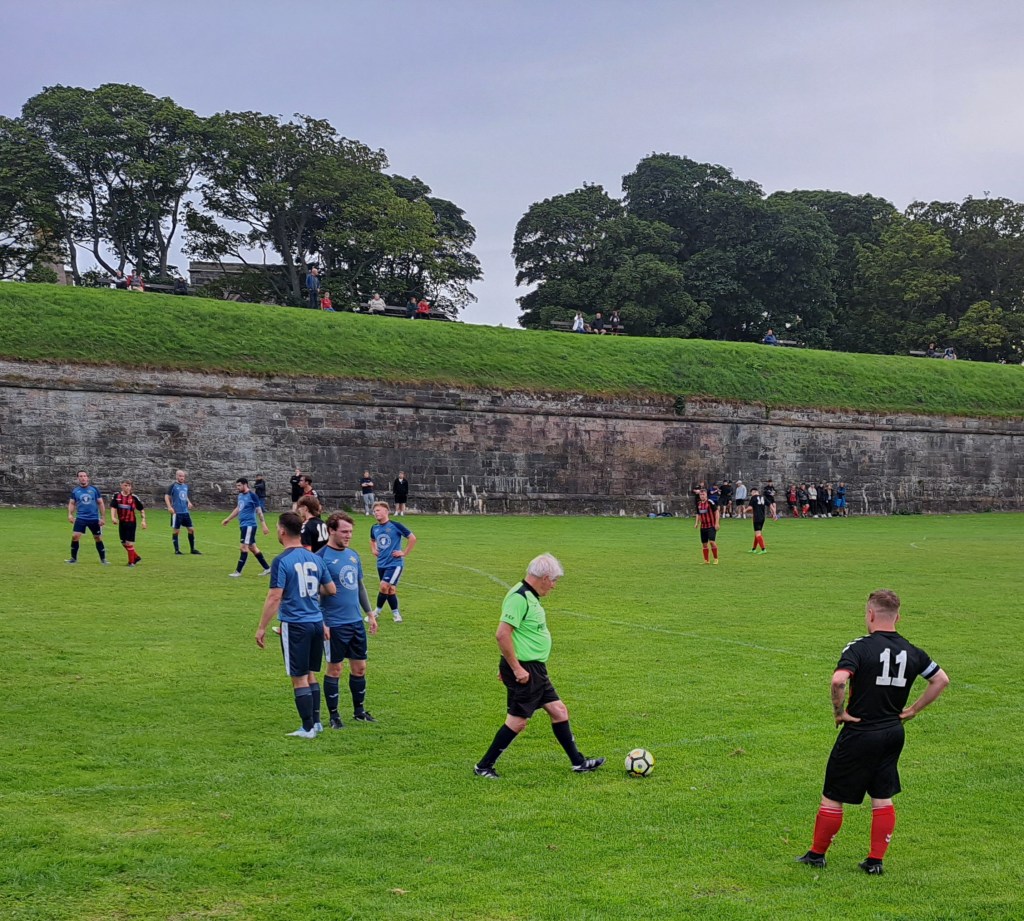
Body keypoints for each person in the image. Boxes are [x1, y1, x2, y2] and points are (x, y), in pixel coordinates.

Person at [797, 590, 949, 875]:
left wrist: (839, 712)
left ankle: (816, 855)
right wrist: (913, 710)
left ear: (870, 614)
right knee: (882, 794)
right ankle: (875, 862)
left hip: (860, 732)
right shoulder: (913, 651)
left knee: (833, 794)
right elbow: (941, 680)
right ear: (897, 617)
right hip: (893, 732)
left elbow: (839, 680)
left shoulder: (859, 647)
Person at [474, 553, 605, 779]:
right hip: (526, 671)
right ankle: (483, 766)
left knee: (559, 711)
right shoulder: (519, 598)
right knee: (517, 722)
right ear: (544, 578)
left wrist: (507, 663)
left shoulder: (529, 596)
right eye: (553, 580)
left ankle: (578, 762)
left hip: (535, 670)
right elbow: (502, 634)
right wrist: (515, 668)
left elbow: (516, 636)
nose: (554, 586)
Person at [255, 512, 336, 739]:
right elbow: (331, 589)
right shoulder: (316, 558)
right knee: (310, 673)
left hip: (295, 624)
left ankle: (307, 728)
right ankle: (317, 723)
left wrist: (261, 627)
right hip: (316, 622)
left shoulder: (282, 560)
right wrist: (309, 592)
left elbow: (274, 597)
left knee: (298, 677)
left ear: (282, 531)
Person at [319, 511, 378, 728]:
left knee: (360, 668)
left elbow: (359, 587)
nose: (348, 535)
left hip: (355, 622)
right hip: (334, 624)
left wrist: (370, 614)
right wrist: (322, 622)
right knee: (335, 669)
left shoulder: (353, 555)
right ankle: (334, 716)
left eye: (351, 532)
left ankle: (359, 711)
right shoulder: (321, 557)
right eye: (344, 531)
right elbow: (314, 594)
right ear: (331, 530)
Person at [369, 501, 416, 623]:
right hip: (381, 563)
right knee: (390, 590)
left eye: (378, 510)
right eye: (374, 511)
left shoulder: (395, 525)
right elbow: (372, 540)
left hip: (394, 564)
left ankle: (376, 612)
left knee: (384, 586)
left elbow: (412, 538)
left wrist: (404, 553)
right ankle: (396, 614)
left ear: (386, 511)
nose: (375, 513)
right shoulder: (374, 528)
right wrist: (373, 549)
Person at [222, 477, 271, 577]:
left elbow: (259, 511)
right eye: (237, 486)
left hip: (249, 525)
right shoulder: (240, 495)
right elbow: (238, 508)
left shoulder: (252, 496)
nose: (237, 488)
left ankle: (238, 572)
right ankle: (267, 568)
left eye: (239, 485)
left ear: (245, 485)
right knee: (253, 547)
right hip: (243, 525)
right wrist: (228, 519)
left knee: (243, 547)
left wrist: (263, 525)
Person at [66, 470, 108, 565]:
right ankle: (73, 559)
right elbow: (72, 503)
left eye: (84, 476)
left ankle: (103, 559)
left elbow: (100, 503)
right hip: (81, 518)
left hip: (94, 518)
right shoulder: (75, 491)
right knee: (75, 536)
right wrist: (70, 514)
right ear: (78, 478)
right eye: (81, 476)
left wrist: (103, 517)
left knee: (98, 538)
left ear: (87, 477)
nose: (83, 478)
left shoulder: (94, 490)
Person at [110, 479, 147, 566]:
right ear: (121, 486)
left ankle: (131, 562)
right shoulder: (116, 496)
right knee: (123, 543)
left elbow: (141, 509)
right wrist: (113, 517)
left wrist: (143, 520)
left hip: (131, 523)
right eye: (125, 485)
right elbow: (113, 507)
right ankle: (136, 557)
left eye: (129, 486)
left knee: (129, 543)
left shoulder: (134, 497)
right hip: (122, 522)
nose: (127, 487)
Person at [165, 469, 201, 555]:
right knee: (176, 530)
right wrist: (169, 507)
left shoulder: (185, 486)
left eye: (183, 476)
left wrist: (189, 502)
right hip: (177, 512)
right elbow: (166, 496)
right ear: (177, 476)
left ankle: (192, 549)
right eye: (180, 476)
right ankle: (177, 550)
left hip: (185, 512)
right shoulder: (173, 486)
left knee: (191, 529)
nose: (182, 478)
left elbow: (184, 495)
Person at [694, 488, 720, 564]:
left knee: (711, 542)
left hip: (711, 525)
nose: (702, 496)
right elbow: (698, 514)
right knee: (704, 544)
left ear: (706, 495)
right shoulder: (699, 504)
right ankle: (706, 560)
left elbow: (716, 512)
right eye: (701, 494)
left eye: (703, 494)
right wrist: (696, 523)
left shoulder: (710, 502)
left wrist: (717, 523)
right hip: (703, 526)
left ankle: (716, 559)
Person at [747, 487, 768, 554]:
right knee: (757, 533)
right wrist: (774, 514)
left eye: (751, 493)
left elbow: (750, 508)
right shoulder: (763, 497)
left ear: (753, 492)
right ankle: (754, 549)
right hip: (762, 517)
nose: (751, 494)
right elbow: (770, 504)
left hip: (756, 518)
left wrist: (744, 510)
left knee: (758, 534)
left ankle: (763, 549)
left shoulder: (753, 498)